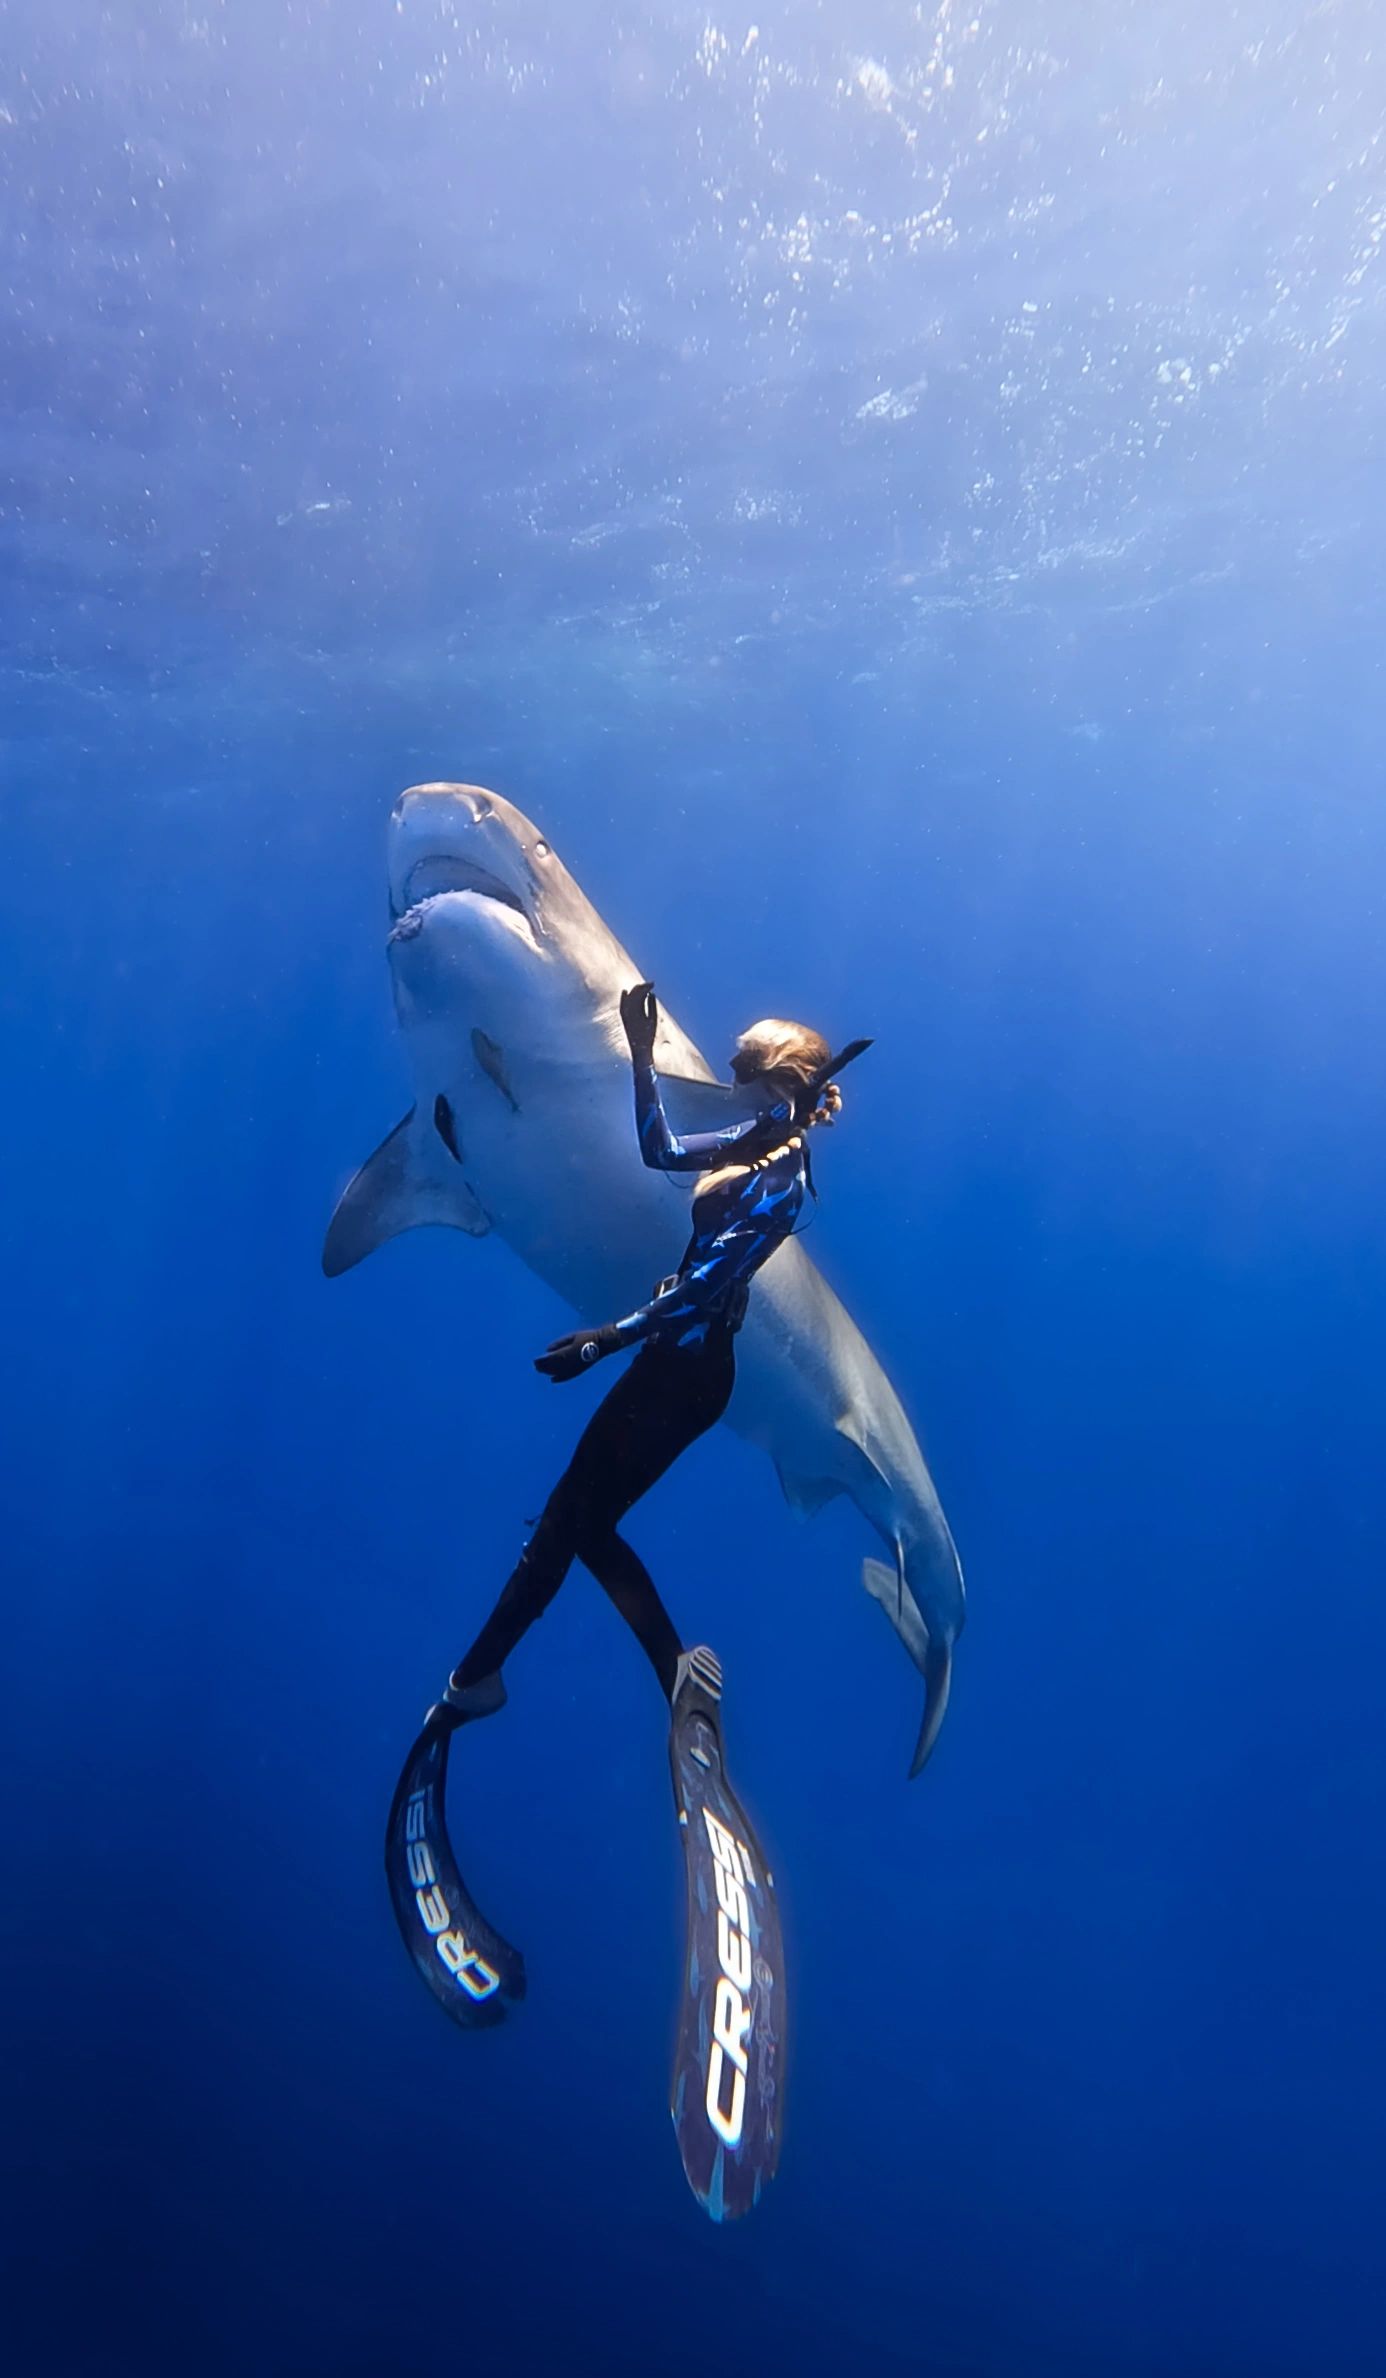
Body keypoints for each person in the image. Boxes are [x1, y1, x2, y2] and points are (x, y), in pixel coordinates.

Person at [434, 985, 868, 1719]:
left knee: (568, 1522)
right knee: (576, 1521)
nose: (729, 1053)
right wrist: (640, 1055)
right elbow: (659, 1150)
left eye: (746, 1048)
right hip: (669, 1361)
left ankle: (478, 1680)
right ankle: (656, 1669)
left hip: (695, 1376)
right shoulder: (754, 1136)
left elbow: (704, 1287)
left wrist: (605, 1338)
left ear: (777, 1069)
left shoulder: (782, 1183)